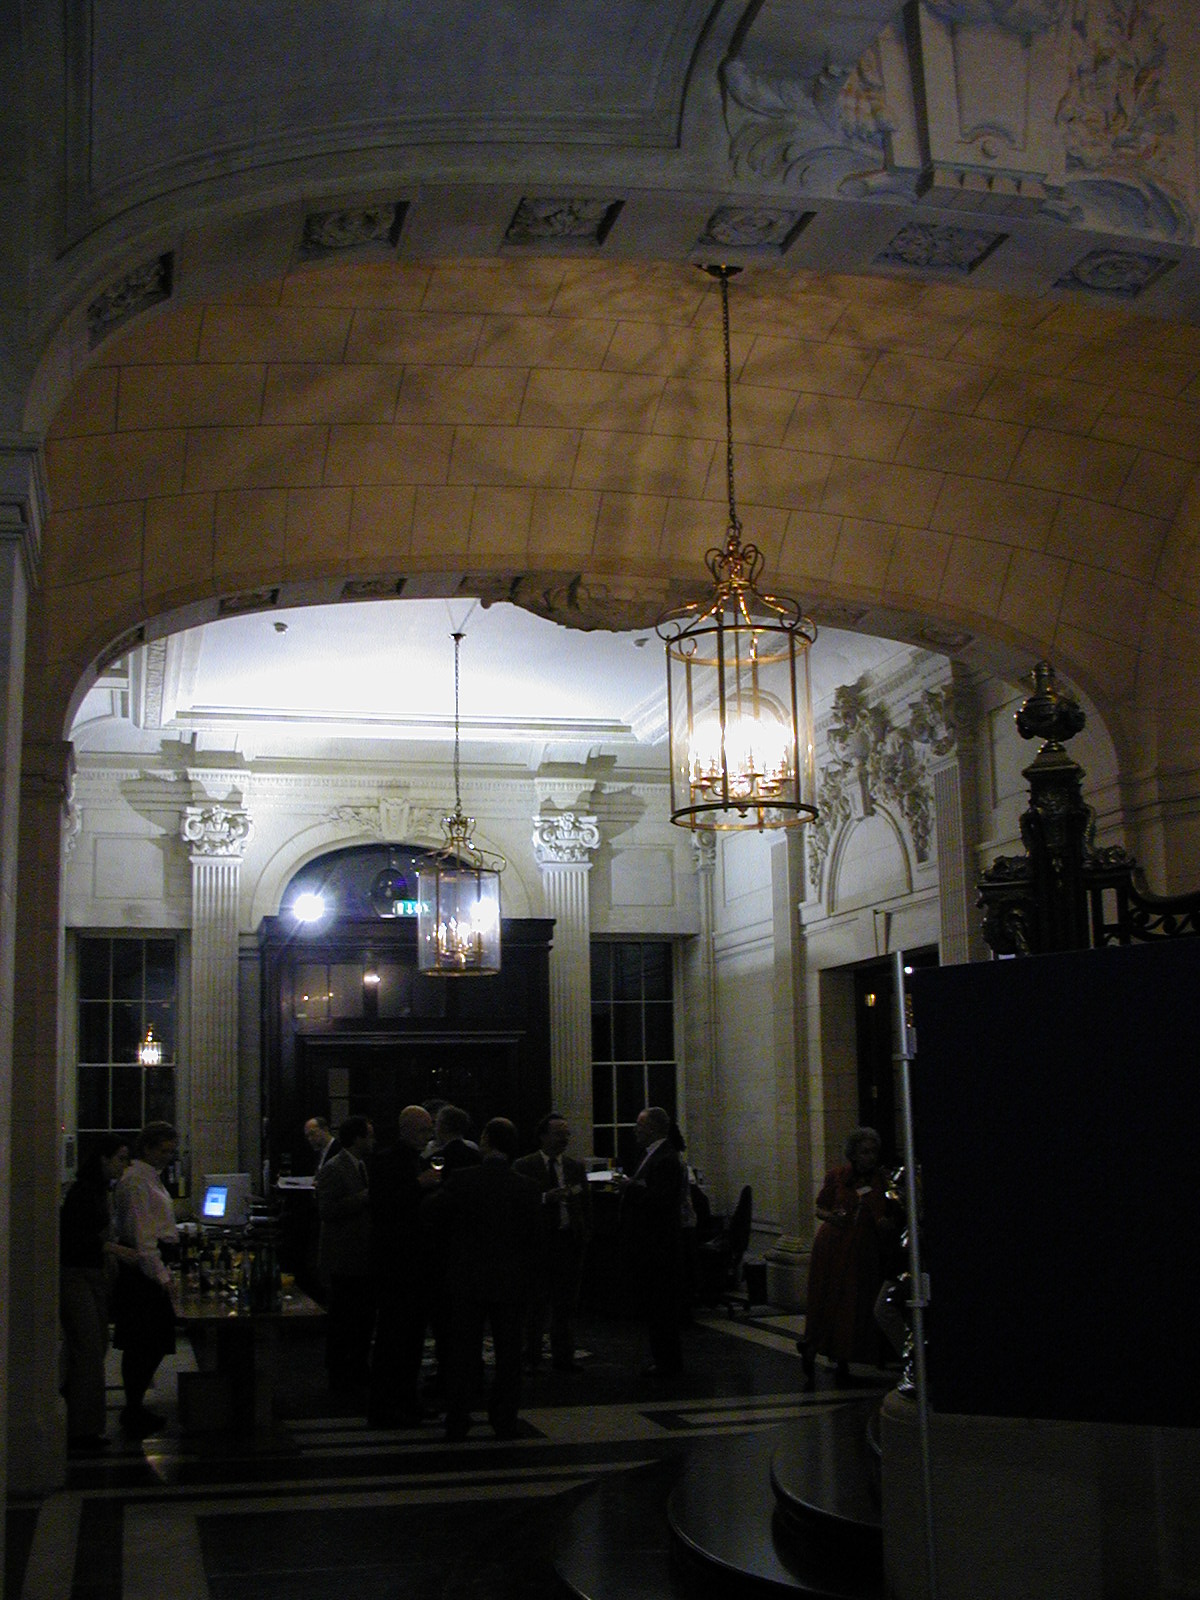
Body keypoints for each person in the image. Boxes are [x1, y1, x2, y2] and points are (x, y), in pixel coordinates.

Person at [422, 1117, 540, 1441]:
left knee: (463, 1353)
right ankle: (504, 1419)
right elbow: (534, 1239)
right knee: (509, 1355)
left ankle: (458, 1418)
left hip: (468, 1278)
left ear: (485, 1140)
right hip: (509, 1279)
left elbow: (431, 1212)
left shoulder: (463, 1179)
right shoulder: (527, 1187)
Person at [799, 1126, 900, 1389]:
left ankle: (846, 1354)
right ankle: (816, 1346)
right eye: (865, 1152)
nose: (870, 1157)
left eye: (873, 1151)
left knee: (854, 1302)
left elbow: (887, 1212)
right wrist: (833, 1217)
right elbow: (820, 1208)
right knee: (830, 1296)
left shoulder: (881, 1180)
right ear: (853, 1153)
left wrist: (886, 1224)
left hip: (864, 1247)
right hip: (834, 1244)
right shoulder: (837, 1176)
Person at [59, 1135, 136, 1449]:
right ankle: (82, 1430)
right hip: (79, 1275)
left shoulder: (97, 1191)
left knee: (91, 1347)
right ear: (103, 1159)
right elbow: (74, 1237)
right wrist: (113, 1248)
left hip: (89, 1275)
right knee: (89, 1350)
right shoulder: (84, 1193)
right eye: (120, 1158)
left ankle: (80, 1421)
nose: (124, 1165)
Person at [367, 1104, 440, 1427]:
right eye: (424, 1130)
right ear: (407, 1129)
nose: (429, 1135)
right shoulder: (386, 1161)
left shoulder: (414, 1160)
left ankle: (406, 1399)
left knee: (411, 1338)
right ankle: (387, 1404)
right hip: (397, 1262)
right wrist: (420, 1185)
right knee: (394, 1337)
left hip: (415, 1260)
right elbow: (384, 1206)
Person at [111, 1121, 180, 1437]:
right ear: (147, 1148)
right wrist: (161, 1276)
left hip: (148, 1265)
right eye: (163, 1150)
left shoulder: (148, 1177)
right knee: (143, 1343)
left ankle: (135, 1406)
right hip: (143, 1271)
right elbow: (143, 1237)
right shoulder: (138, 1181)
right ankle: (133, 1408)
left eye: (171, 1151)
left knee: (149, 1343)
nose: (168, 1156)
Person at [514, 1112, 591, 1372]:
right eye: (558, 1133)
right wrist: (546, 1198)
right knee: (536, 1303)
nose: (564, 1139)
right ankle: (531, 1356)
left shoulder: (574, 1167)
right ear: (543, 1136)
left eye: (566, 1133)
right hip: (539, 1243)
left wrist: (584, 1233)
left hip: (568, 1242)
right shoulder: (525, 1166)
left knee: (565, 1304)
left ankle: (564, 1357)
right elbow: (519, 1204)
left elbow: (585, 1203)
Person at [614, 1106, 685, 1377]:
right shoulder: (652, 1155)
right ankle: (663, 1359)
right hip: (652, 1244)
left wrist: (630, 1187)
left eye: (640, 1126)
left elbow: (660, 1200)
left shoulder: (665, 1158)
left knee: (661, 1308)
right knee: (656, 1308)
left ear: (653, 1128)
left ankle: (668, 1363)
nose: (636, 1131)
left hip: (659, 1247)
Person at [316, 1114, 375, 1394]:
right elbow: (326, 1210)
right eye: (369, 1135)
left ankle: (357, 1367)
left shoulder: (361, 1165)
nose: (373, 1141)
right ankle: (339, 1373)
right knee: (343, 1318)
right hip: (343, 1256)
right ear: (358, 1138)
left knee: (360, 1317)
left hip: (359, 1255)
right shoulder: (334, 1168)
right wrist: (361, 1198)